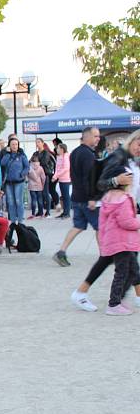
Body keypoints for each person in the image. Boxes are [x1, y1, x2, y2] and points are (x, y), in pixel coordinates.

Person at [69, 131, 140, 311]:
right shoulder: (118, 157)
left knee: (127, 257)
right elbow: (100, 184)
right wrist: (117, 180)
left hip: (127, 208)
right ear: (131, 142)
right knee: (116, 256)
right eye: (138, 144)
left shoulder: (134, 160)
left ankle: (120, 297)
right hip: (115, 208)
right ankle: (103, 298)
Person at [53, 127, 107, 267]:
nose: (98, 139)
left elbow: (75, 175)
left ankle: (61, 251)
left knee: (78, 226)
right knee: (99, 227)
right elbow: (89, 178)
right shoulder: (88, 155)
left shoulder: (75, 152)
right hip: (87, 198)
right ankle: (104, 256)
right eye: (95, 136)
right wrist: (92, 198)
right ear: (87, 137)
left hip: (76, 196)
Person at [98, 170, 140, 316]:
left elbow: (102, 223)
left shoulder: (109, 198)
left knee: (133, 270)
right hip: (122, 242)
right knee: (122, 272)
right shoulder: (123, 199)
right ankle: (113, 304)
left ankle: (120, 299)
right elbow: (127, 222)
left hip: (118, 241)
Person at [0, 137, 29, 223]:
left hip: (19, 182)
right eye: (13, 144)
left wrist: (22, 174)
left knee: (19, 201)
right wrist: (8, 153)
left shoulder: (22, 155)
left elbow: (27, 167)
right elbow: (2, 163)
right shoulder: (7, 155)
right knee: (11, 202)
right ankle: (12, 221)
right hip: (9, 182)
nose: (15, 146)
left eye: (16, 144)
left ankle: (20, 221)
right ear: (9, 146)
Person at [35, 138, 56, 217]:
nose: (37, 144)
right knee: (38, 193)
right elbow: (31, 162)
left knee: (45, 193)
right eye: (36, 142)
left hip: (45, 174)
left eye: (39, 142)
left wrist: (36, 162)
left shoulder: (46, 153)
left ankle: (48, 211)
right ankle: (40, 211)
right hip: (36, 176)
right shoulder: (35, 153)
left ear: (43, 143)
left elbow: (43, 162)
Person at [52, 143, 71, 219]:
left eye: (58, 148)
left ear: (62, 149)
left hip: (66, 179)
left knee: (66, 196)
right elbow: (57, 168)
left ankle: (67, 213)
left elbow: (66, 168)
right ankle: (64, 212)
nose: (57, 150)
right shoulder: (59, 157)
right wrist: (55, 176)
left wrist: (56, 176)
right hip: (60, 179)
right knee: (63, 196)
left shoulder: (66, 156)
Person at [27, 153, 47, 219]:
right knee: (40, 200)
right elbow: (43, 177)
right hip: (39, 185)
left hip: (31, 186)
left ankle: (33, 214)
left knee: (33, 200)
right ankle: (41, 213)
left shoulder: (29, 168)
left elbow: (26, 177)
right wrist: (43, 184)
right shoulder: (40, 168)